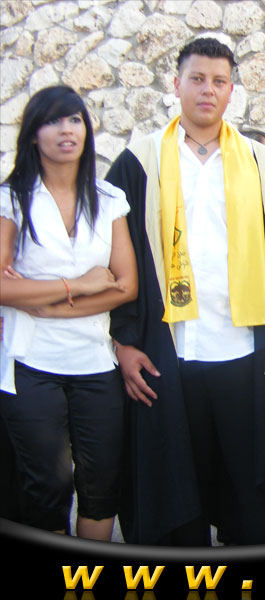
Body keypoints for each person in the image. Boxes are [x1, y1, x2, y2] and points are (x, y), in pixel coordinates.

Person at [105, 38, 265, 545]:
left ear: (232, 91)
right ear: (176, 85)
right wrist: (123, 342)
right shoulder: (140, 162)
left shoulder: (260, 163)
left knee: (253, 489)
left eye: (219, 81)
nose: (207, 90)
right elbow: (111, 255)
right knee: (178, 487)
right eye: (196, 79)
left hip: (244, 349)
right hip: (170, 351)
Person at [0, 85, 137, 539]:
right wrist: (78, 285)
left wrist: (48, 304)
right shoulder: (11, 199)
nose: (66, 130)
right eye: (53, 121)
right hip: (30, 364)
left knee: (101, 485)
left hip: (96, 362)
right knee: (48, 486)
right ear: (32, 135)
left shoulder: (109, 198)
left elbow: (126, 286)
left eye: (75, 119)